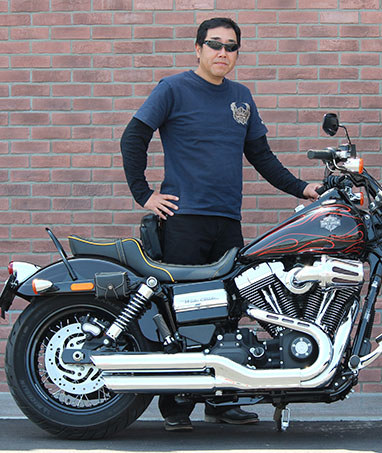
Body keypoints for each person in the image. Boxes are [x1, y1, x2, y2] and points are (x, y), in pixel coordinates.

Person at [120, 17, 321, 431]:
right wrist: (144, 194)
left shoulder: (241, 97)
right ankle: (177, 407)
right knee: (183, 313)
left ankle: (222, 401)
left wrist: (302, 189)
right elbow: (133, 137)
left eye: (231, 46)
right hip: (184, 219)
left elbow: (262, 156)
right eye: (214, 44)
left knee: (230, 309)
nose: (222, 53)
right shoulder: (172, 89)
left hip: (227, 221)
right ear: (198, 49)